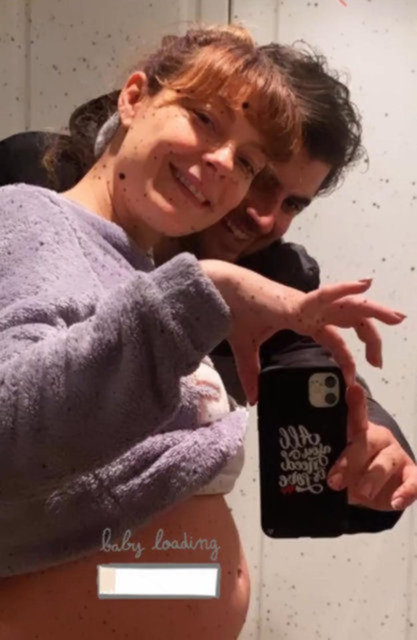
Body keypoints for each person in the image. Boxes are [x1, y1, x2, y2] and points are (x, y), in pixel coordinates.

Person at [0, 30, 408, 640]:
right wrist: (201, 291)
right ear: (133, 99)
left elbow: (316, 364)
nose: (264, 217)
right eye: (262, 179)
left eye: (289, 201)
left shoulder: (270, 269)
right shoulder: (38, 190)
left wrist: (377, 447)